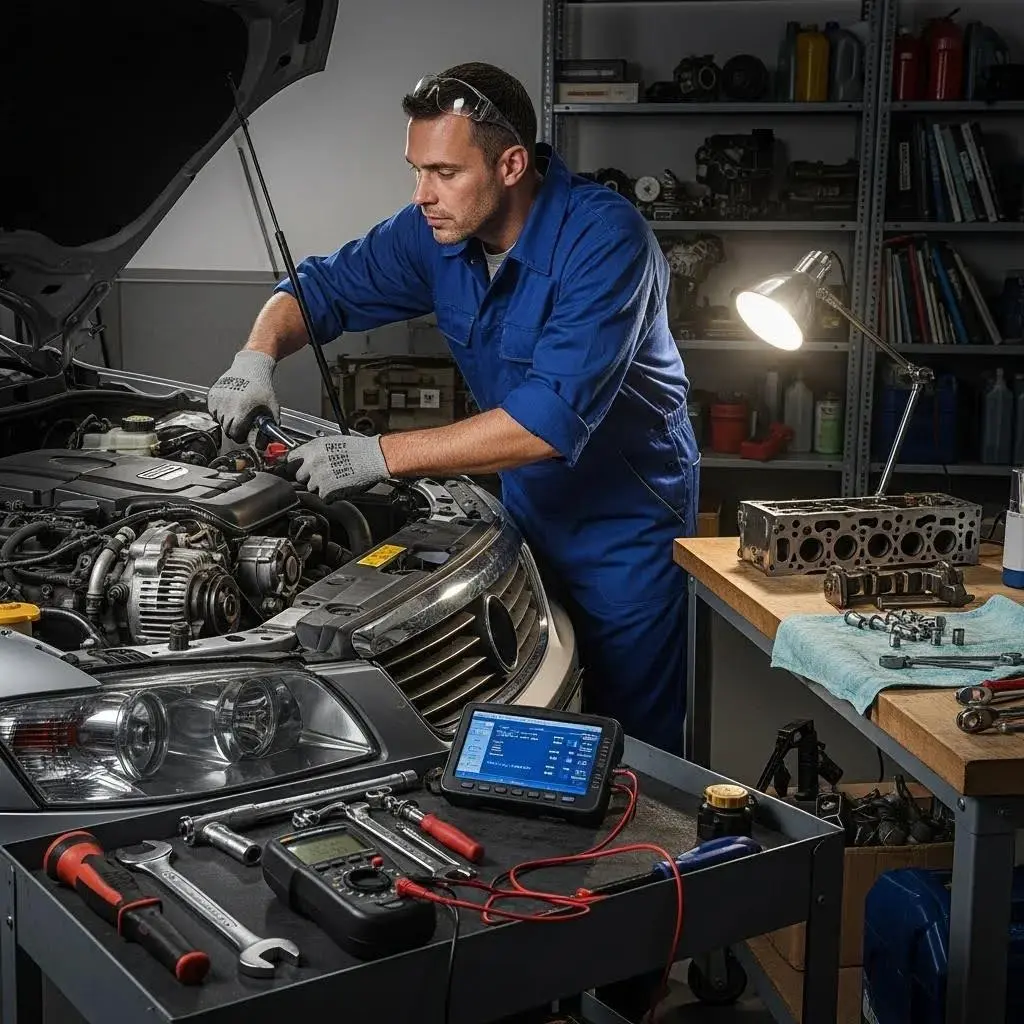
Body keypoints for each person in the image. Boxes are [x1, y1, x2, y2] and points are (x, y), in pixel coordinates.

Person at [207, 62, 699, 755]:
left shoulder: (606, 241)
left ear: (511, 165)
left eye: (443, 172)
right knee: (529, 710)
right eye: (416, 171)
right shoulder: (433, 232)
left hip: (623, 523)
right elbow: (317, 290)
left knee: (629, 741)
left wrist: (379, 456)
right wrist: (255, 356)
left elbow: (547, 420)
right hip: (524, 505)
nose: (422, 195)